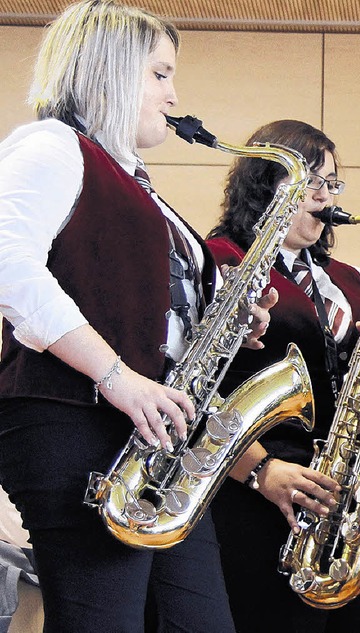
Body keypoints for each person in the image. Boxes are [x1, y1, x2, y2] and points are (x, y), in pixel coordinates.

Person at [0, 2, 275, 631]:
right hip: (80, 428)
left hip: (154, 445)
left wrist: (225, 314)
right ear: (109, 70)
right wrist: (117, 376)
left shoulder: (136, 183)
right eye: (159, 73)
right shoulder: (52, 146)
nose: (173, 93)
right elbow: (7, 261)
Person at [206, 119, 360, 633]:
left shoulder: (351, 281)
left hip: (351, 503)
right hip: (260, 493)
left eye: (332, 184)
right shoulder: (222, 261)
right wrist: (261, 470)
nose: (325, 197)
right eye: (310, 182)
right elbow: (196, 389)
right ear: (265, 184)